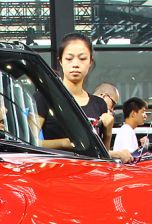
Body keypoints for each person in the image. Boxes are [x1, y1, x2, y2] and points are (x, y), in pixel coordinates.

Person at [33, 33, 129, 161]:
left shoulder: (99, 104)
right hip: (56, 170)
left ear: (90, 62)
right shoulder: (45, 97)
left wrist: (108, 133)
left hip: (90, 171)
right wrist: (64, 143)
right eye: (69, 58)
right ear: (60, 61)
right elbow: (30, 142)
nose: (75, 64)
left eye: (82, 58)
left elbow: (102, 157)